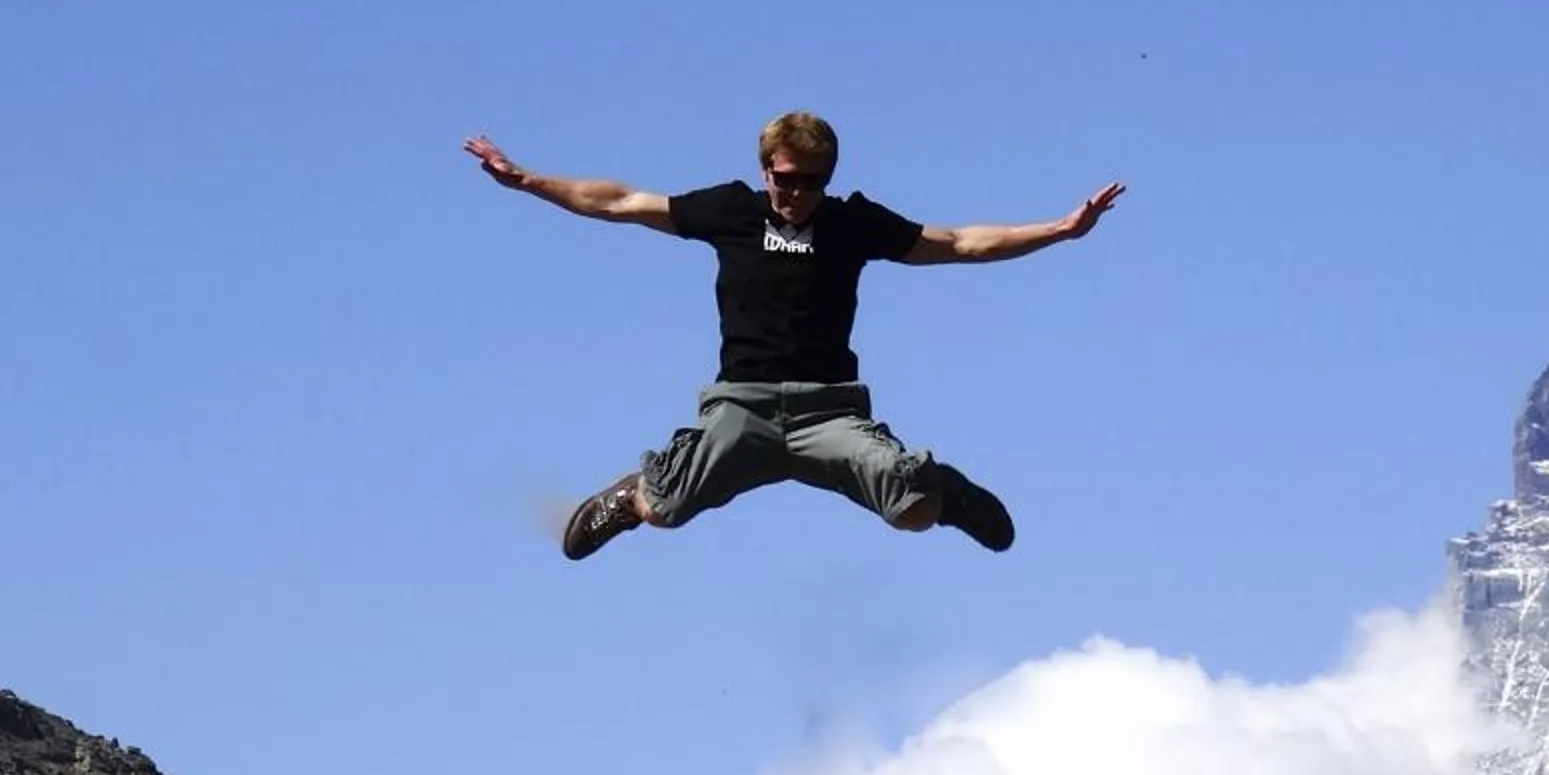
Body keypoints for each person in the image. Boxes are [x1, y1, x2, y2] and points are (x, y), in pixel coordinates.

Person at [464, 114, 1124, 560]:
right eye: (784, 179)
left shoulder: (852, 225)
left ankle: (943, 489)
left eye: (811, 183)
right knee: (662, 511)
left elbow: (959, 243)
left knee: (914, 512)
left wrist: (1058, 231)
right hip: (740, 408)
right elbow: (620, 202)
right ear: (765, 170)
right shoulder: (730, 212)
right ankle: (631, 493)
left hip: (827, 411)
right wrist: (528, 182)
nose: (795, 194)